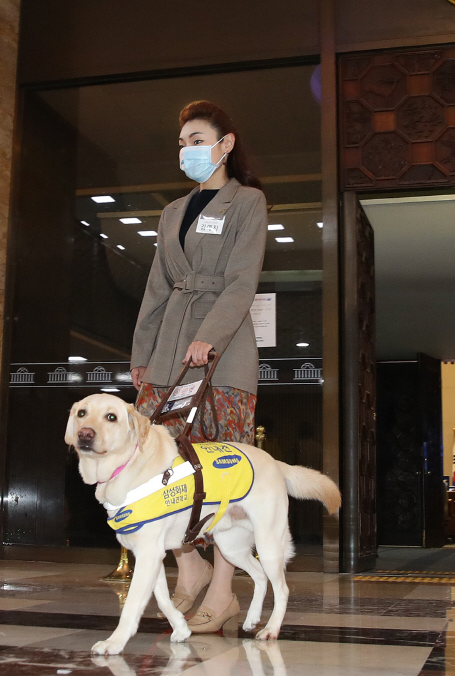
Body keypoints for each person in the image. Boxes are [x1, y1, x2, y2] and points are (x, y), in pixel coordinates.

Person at [130, 100, 267, 631]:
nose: (186, 150)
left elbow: (241, 281)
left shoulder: (247, 203)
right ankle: (188, 567)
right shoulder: (171, 212)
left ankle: (224, 589)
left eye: (195, 140)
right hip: (167, 350)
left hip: (223, 351)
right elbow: (156, 289)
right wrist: (142, 356)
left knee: (224, 470)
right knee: (156, 467)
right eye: (182, 142)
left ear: (224, 144)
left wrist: (209, 336)